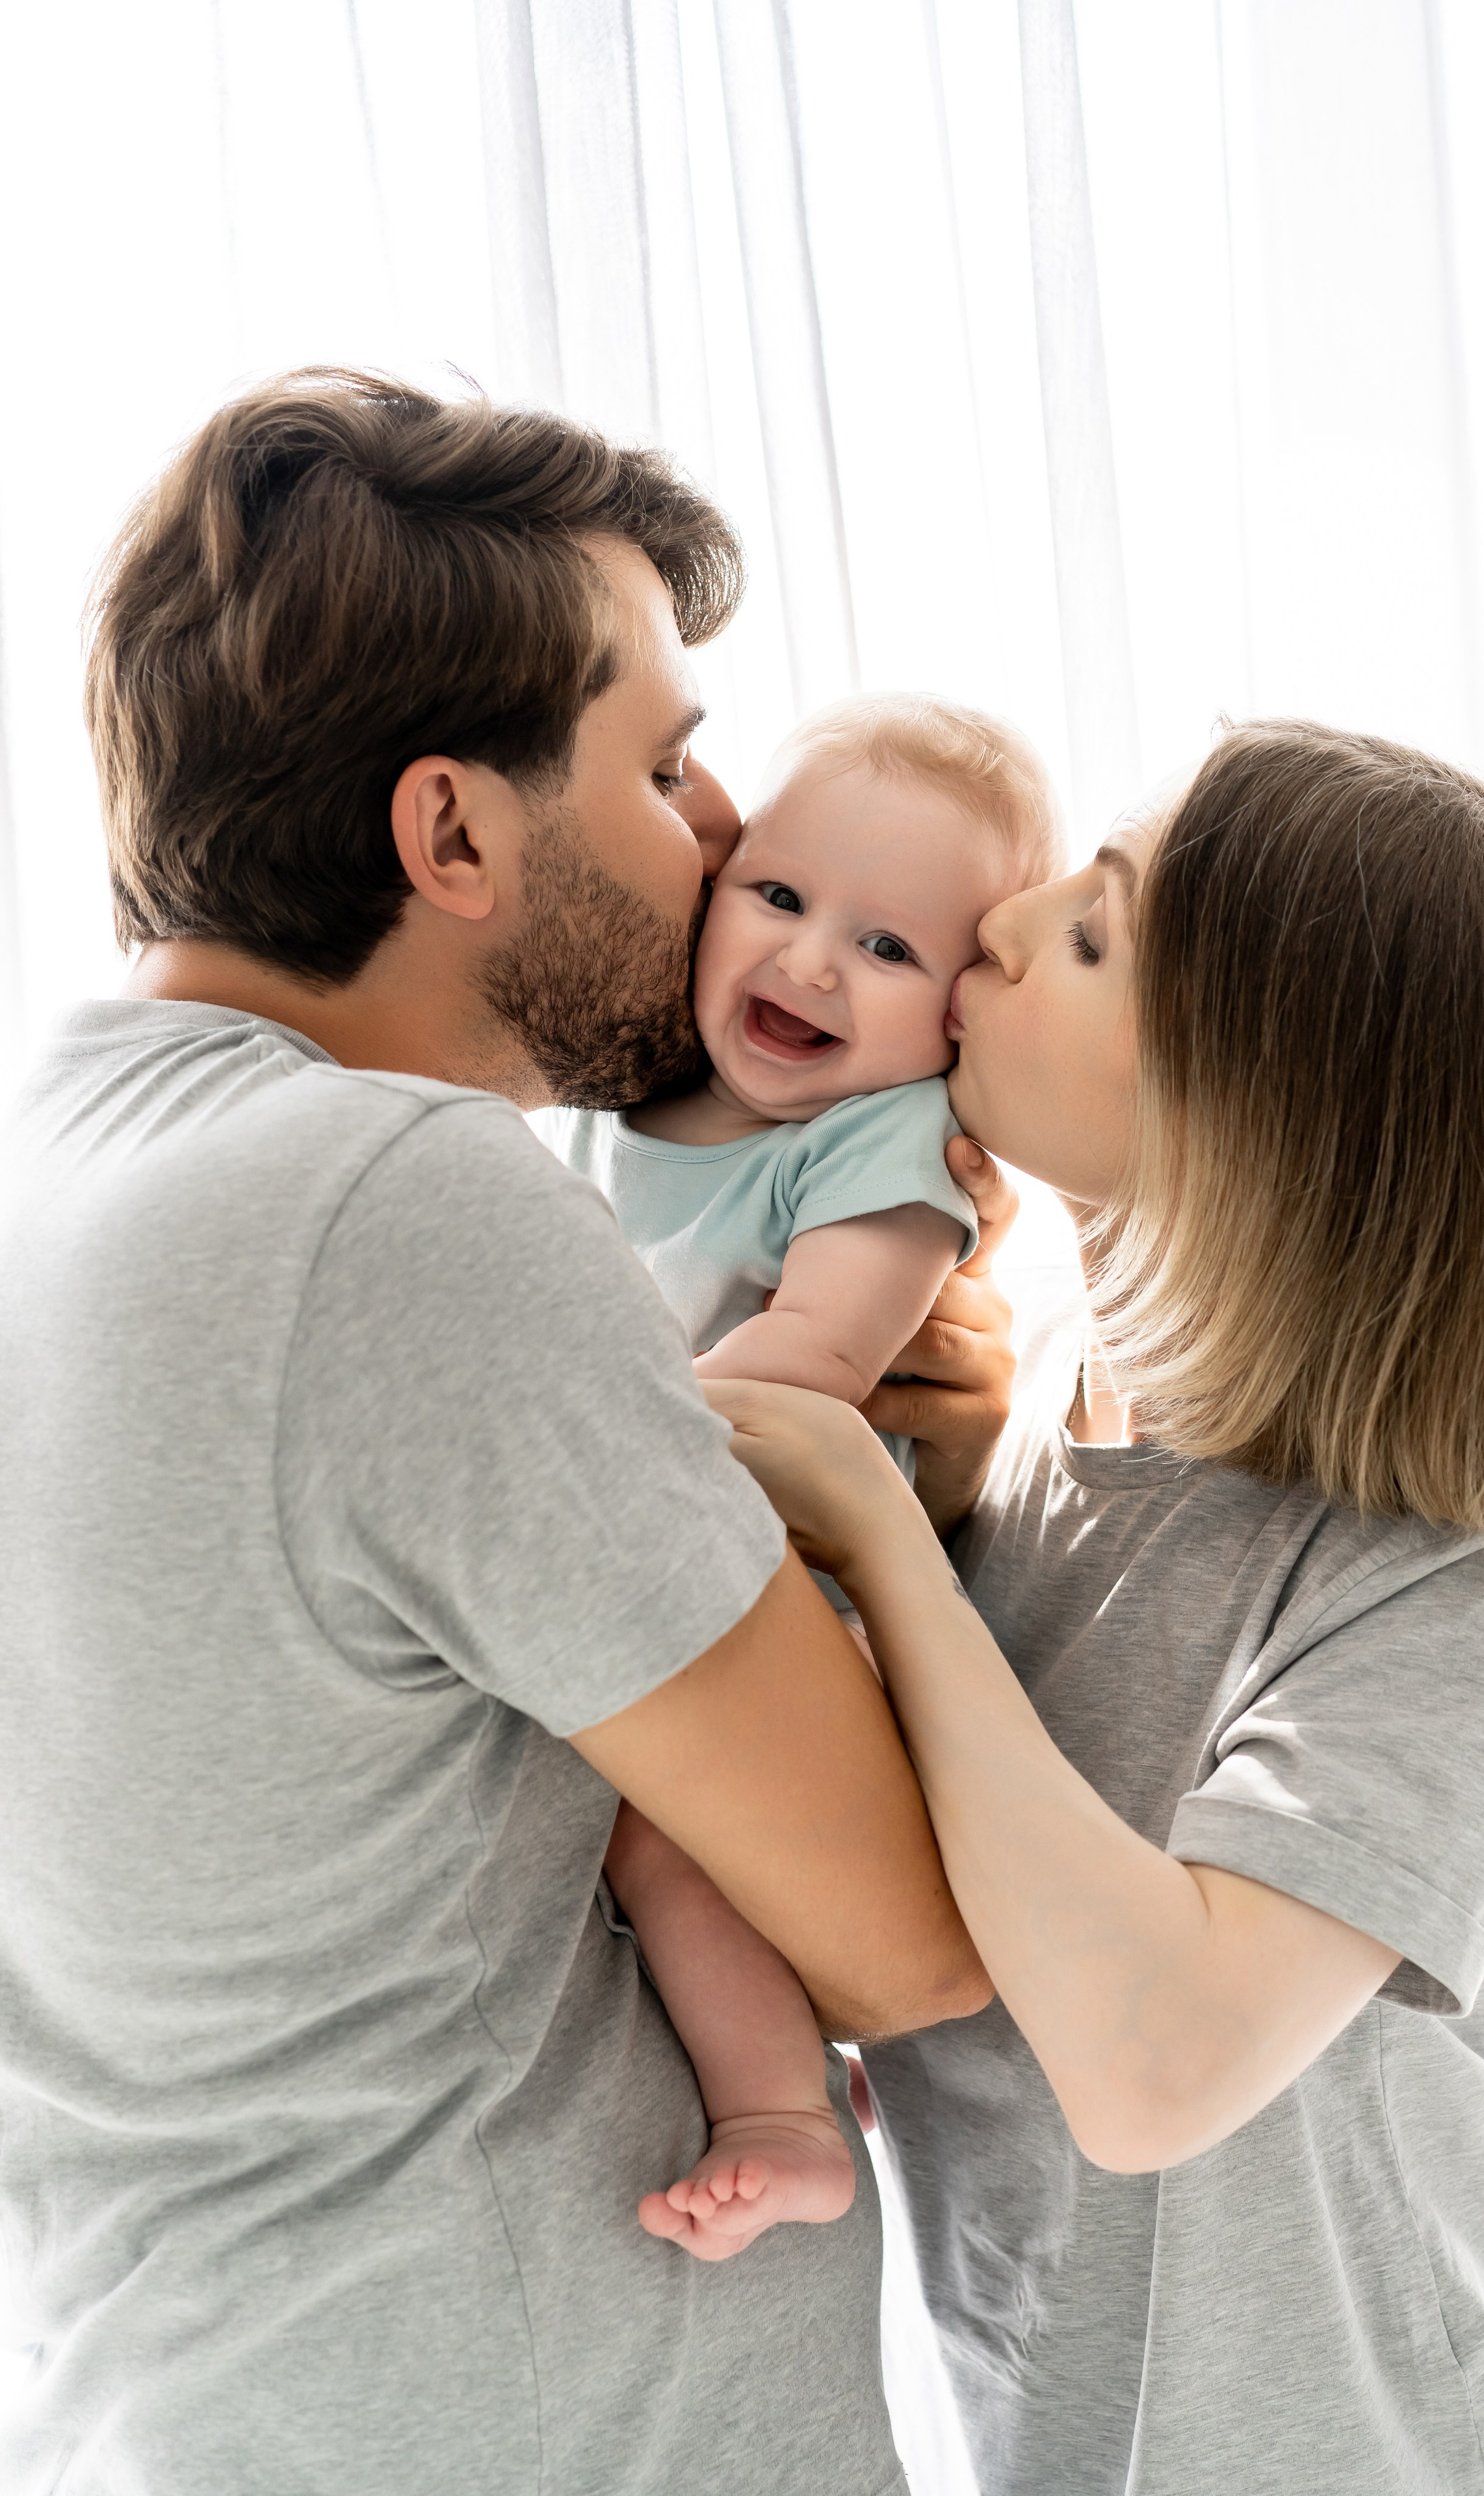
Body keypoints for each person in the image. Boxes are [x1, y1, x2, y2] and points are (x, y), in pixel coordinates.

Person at [0, 369, 1007, 2496]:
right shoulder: (401, 1210)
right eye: (664, 762)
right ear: (452, 832)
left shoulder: (64, 1163)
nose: (723, 833)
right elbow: (905, 1939)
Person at [709, 722, 1484, 2495]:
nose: (1003, 923)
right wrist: (933, 1518)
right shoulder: (1026, 1422)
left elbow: (1153, 2069)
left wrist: (889, 1550)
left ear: (1264, 1124)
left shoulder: (1465, 1572)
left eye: (1088, 935)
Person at [554, 694, 1063, 2258]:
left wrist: (549, 1431)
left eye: (887, 947)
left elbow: (813, 1362)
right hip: (648, 1561)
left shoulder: (883, 1144)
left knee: (657, 1841)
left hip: (797, 1605)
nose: (812, 962)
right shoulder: (626, 1102)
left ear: (956, 1024)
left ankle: (783, 2113)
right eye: (778, 896)